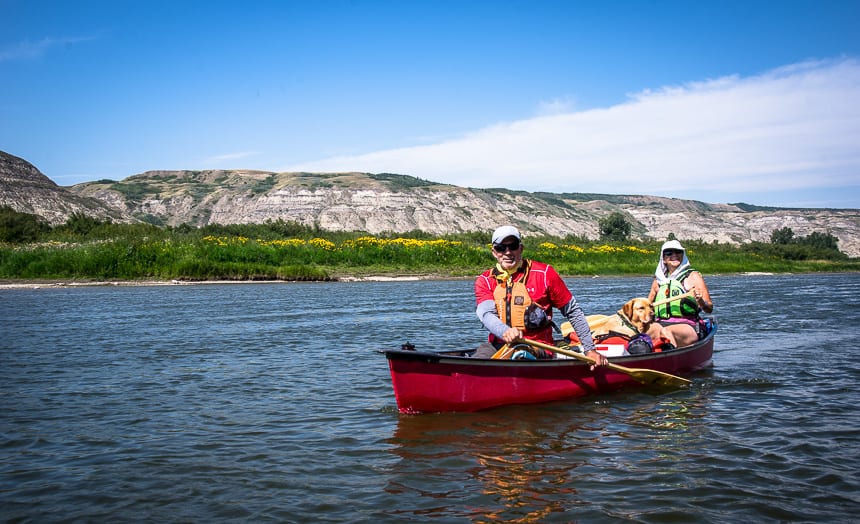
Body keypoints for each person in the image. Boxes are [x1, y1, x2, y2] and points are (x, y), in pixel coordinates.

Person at [473, 225, 607, 368]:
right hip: (498, 345)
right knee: (478, 359)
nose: (507, 252)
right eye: (501, 248)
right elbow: (486, 314)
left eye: (512, 246)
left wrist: (590, 350)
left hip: (538, 346)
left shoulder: (545, 274)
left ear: (521, 248)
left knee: (519, 352)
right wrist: (505, 331)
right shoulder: (485, 280)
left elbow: (573, 312)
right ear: (494, 252)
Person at [647, 239, 713, 348]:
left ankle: (670, 359)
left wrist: (700, 300)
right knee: (638, 335)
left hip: (688, 325)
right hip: (660, 324)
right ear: (663, 259)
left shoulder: (693, 276)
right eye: (669, 253)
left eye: (678, 252)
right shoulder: (658, 282)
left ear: (683, 255)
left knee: (666, 332)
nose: (674, 255)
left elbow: (709, 308)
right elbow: (648, 308)